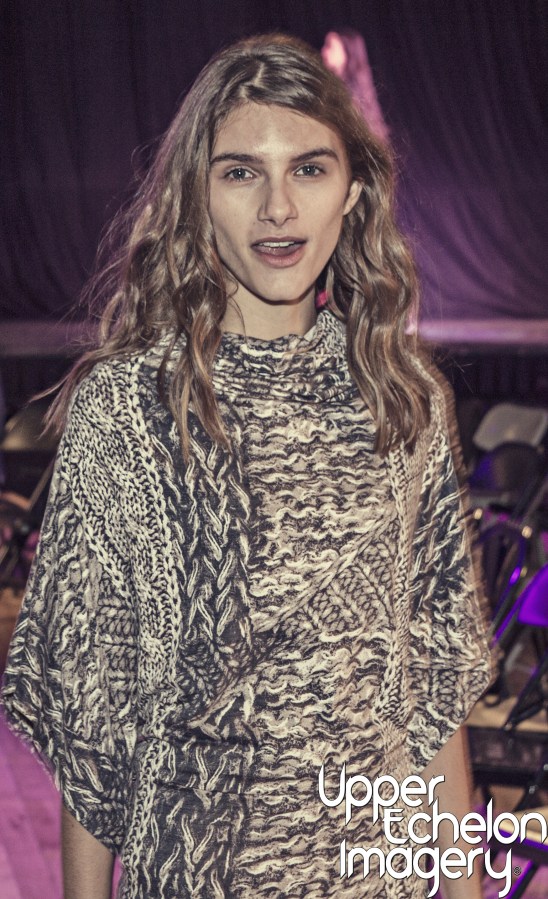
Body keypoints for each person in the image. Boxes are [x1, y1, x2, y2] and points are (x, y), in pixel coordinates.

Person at [1, 33, 492, 899]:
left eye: (309, 169)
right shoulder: (128, 412)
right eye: (240, 172)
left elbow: (435, 692)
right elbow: (92, 721)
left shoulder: (404, 399)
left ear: (353, 192)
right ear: (197, 196)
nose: (278, 207)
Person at [321, 30, 390, 144]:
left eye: (330, 46)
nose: (324, 51)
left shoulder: (354, 97)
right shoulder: (328, 88)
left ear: (347, 51)